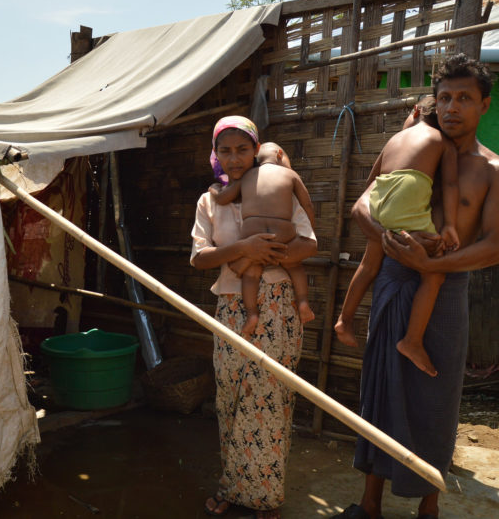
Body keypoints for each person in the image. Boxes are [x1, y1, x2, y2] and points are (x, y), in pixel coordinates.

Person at [333, 53, 499, 519]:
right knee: (380, 391)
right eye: (445, 97)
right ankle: (369, 503)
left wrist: (434, 263)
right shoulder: (414, 147)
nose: (453, 107)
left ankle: (428, 509)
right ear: (433, 102)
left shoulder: (497, 171)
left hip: (446, 291)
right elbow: (360, 207)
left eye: (464, 99)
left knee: (436, 399)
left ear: (485, 106)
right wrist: (398, 249)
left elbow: (494, 247)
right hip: (395, 283)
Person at [192, 116, 318, 519]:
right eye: (225, 151)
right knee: (230, 397)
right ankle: (233, 486)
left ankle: (266, 495)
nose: (234, 158)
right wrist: (244, 249)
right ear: (216, 154)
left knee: (270, 400)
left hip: (279, 305)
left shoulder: (279, 186)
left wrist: (270, 255)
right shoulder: (211, 200)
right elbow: (199, 257)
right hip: (232, 306)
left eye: (242, 149)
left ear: (256, 149)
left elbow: (309, 242)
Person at [334, 96, 459, 377]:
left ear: (415, 111)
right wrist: (449, 223)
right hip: (407, 195)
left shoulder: (393, 141)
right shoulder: (443, 141)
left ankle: (344, 320)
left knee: (368, 265)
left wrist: (383, 212)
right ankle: (412, 341)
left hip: (381, 198)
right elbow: (450, 183)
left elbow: (371, 183)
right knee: (434, 275)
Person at [209, 141, 317, 335]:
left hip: (252, 233)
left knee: (251, 275)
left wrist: (214, 189)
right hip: (282, 233)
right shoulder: (291, 175)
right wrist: (310, 225)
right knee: (294, 266)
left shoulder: (246, 177)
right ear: (280, 155)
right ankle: (302, 302)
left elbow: (223, 198)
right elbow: (306, 204)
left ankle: (251, 314)